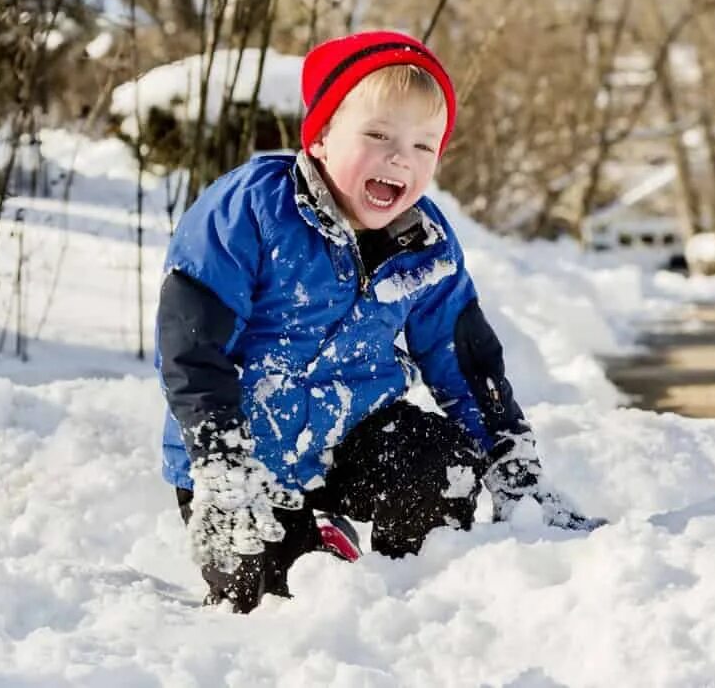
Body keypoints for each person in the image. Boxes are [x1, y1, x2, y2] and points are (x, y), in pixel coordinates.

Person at [156, 30, 601, 612]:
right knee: (273, 605)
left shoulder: (424, 240)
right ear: (319, 136)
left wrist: (509, 459)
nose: (401, 157)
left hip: (354, 433)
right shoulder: (252, 209)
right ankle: (313, 544)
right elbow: (191, 343)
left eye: (424, 145)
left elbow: (459, 354)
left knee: (440, 464)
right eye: (378, 135)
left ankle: (410, 595)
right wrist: (219, 460)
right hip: (243, 458)